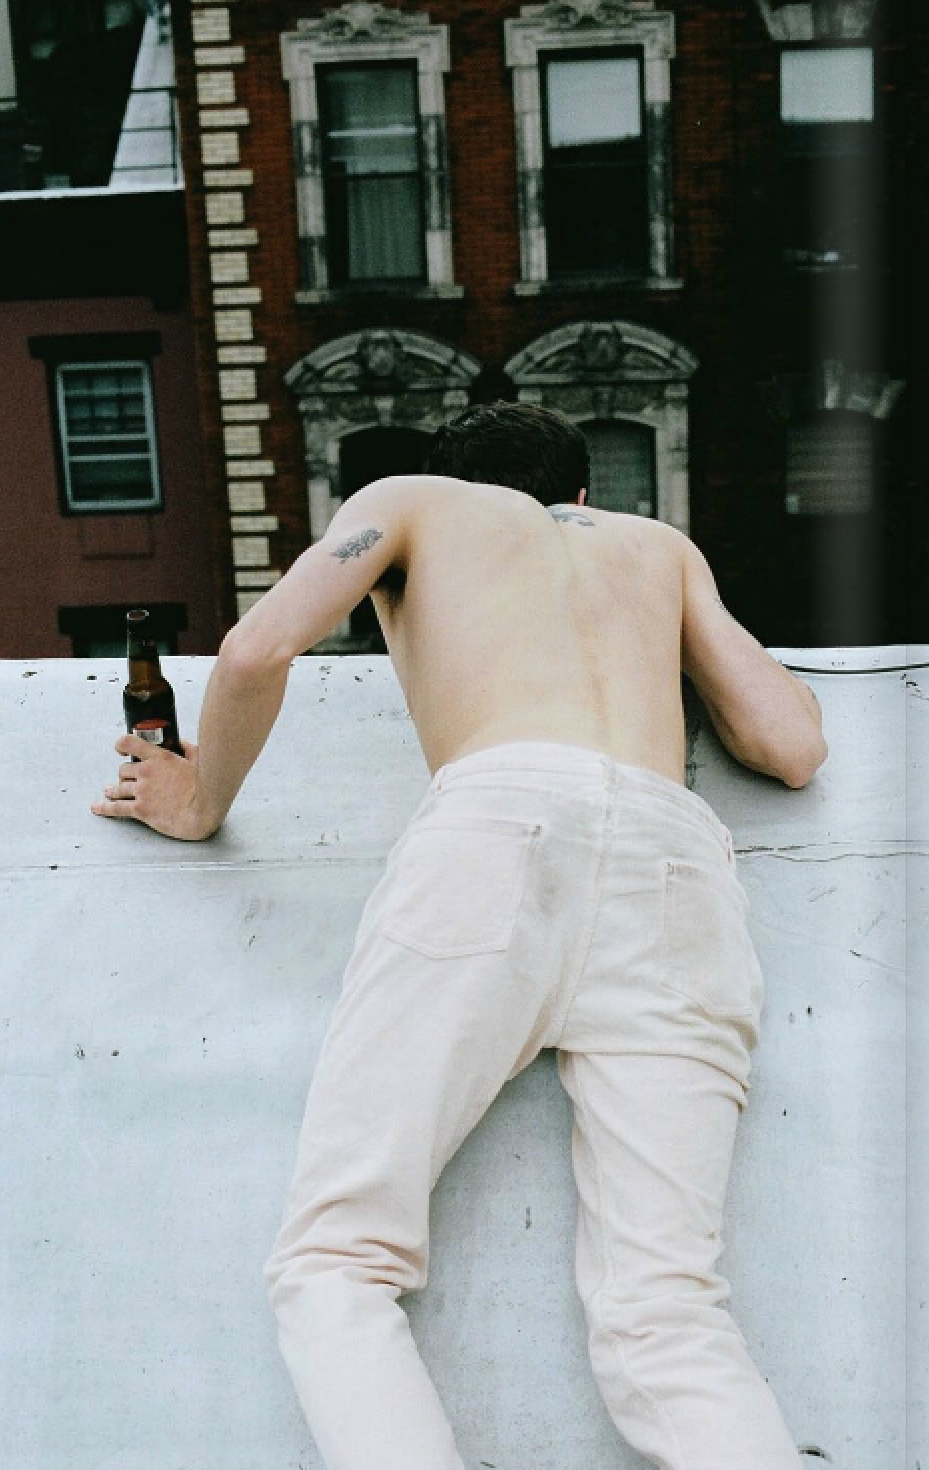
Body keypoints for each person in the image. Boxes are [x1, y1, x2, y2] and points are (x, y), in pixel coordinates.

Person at [92, 401, 826, 1470]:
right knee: (667, 1311)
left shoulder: (410, 504)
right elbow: (790, 746)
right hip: (678, 868)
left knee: (339, 1258)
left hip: (498, 833)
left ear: (460, 478)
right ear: (582, 496)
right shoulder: (656, 546)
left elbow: (255, 649)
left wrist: (199, 801)